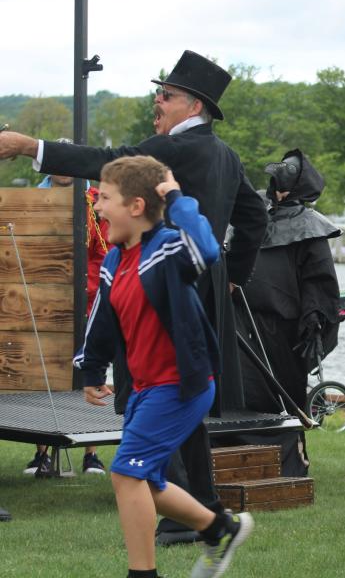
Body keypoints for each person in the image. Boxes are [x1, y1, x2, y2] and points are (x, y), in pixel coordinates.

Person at [0, 51, 268, 538]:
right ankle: (199, 504)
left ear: (194, 106)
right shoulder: (227, 155)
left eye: (165, 95)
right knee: (186, 396)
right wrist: (231, 277)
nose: (156, 102)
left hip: (160, 282)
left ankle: (180, 511)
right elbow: (255, 219)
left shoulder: (177, 150)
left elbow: (108, 164)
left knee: (150, 386)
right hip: (201, 284)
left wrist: (29, 146)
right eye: (158, 93)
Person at [77, 156, 252, 578]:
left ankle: (143, 574)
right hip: (145, 388)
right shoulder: (117, 260)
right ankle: (219, 528)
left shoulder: (170, 248)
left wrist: (175, 197)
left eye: (105, 198)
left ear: (136, 207)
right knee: (147, 481)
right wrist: (92, 370)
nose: (97, 207)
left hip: (181, 385)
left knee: (125, 473)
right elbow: (102, 317)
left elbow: (207, 249)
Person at [239, 150, 341, 472]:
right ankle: (243, 459)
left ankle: (291, 462)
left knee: (285, 394)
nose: (278, 190)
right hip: (245, 321)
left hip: (285, 329)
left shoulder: (310, 227)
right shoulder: (257, 216)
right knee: (245, 392)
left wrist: (314, 320)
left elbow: (320, 281)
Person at [24, 166, 109, 476]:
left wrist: (88, 287)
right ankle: (41, 453)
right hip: (46, 295)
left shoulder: (95, 202)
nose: (62, 171)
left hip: (86, 295)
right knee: (47, 375)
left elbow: (103, 250)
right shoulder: (35, 199)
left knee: (90, 371)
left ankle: (92, 453)